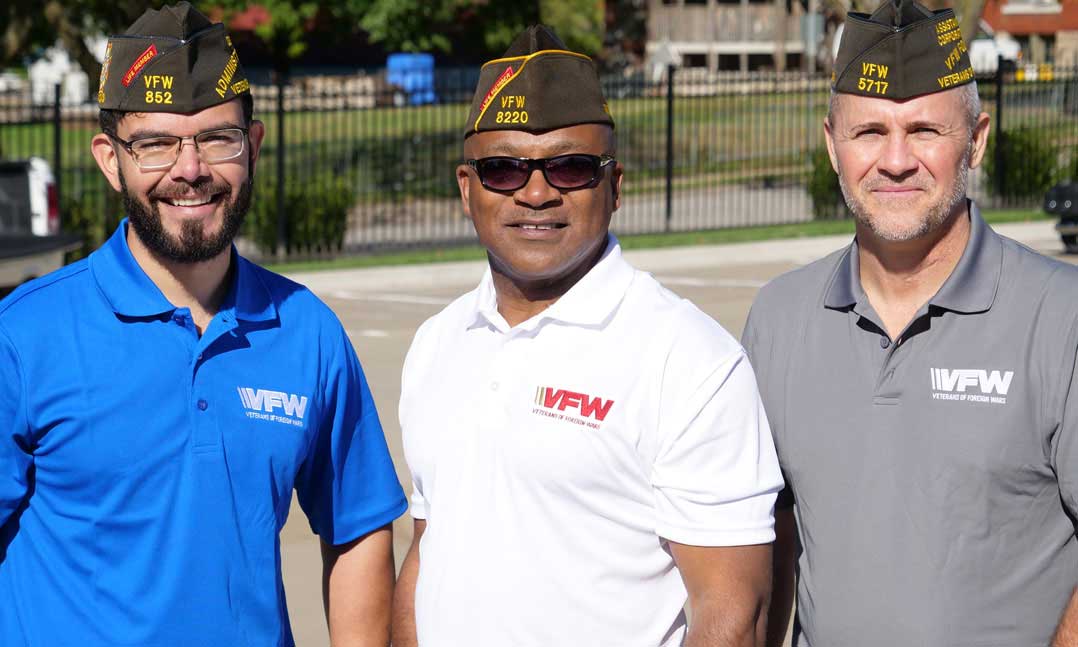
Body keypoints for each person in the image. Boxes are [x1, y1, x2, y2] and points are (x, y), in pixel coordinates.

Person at [0, 4, 406, 645]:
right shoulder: (23, 337)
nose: (190, 170)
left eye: (217, 138)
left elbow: (357, 526)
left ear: (255, 146)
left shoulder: (308, 332)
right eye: (156, 144)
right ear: (111, 160)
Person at [392, 25, 783, 647]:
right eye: (504, 169)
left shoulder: (687, 358)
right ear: (467, 189)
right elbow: (429, 551)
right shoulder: (438, 343)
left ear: (615, 185)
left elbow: (736, 611)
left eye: (571, 167)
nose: (538, 192)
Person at [743, 2, 1078, 645]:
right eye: (869, 132)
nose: (896, 160)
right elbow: (764, 540)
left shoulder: (1061, 319)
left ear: (976, 141)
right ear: (832, 145)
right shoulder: (778, 320)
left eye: (925, 130)